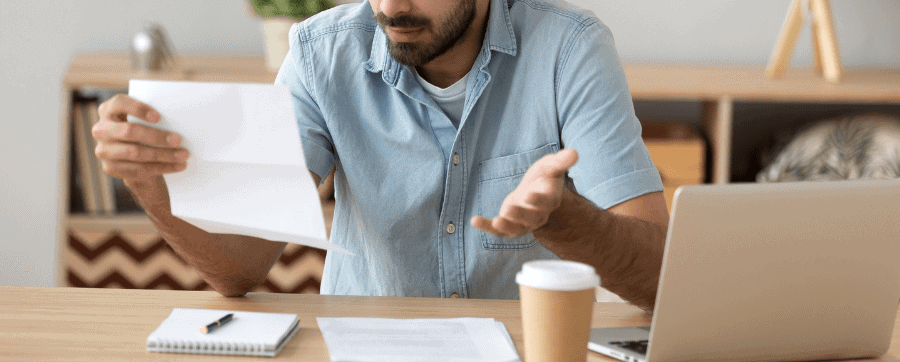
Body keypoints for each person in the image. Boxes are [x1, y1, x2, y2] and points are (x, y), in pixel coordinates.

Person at [92, 0, 669, 310]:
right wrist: (149, 182)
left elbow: (659, 281)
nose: (392, 6)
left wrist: (569, 222)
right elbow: (240, 268)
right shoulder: (322, 55)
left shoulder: (570, 50)